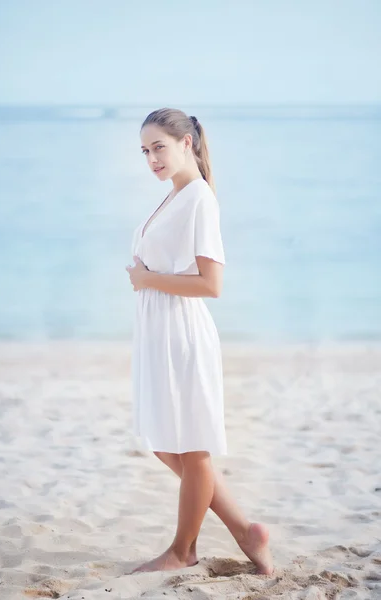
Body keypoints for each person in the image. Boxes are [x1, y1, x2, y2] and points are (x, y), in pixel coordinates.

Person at [125, 107, 273, 575]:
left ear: (186, 143)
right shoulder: (174, 197)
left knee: (192, 446)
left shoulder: (199, 200)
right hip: (159, 332)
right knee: (167, 442)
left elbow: (211, 285)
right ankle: (245, 531)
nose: (152, 159)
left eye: (159, 148)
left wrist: (147, 280)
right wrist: (147, 280)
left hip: (182, 332)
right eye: (145, 151)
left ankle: (183, 550)